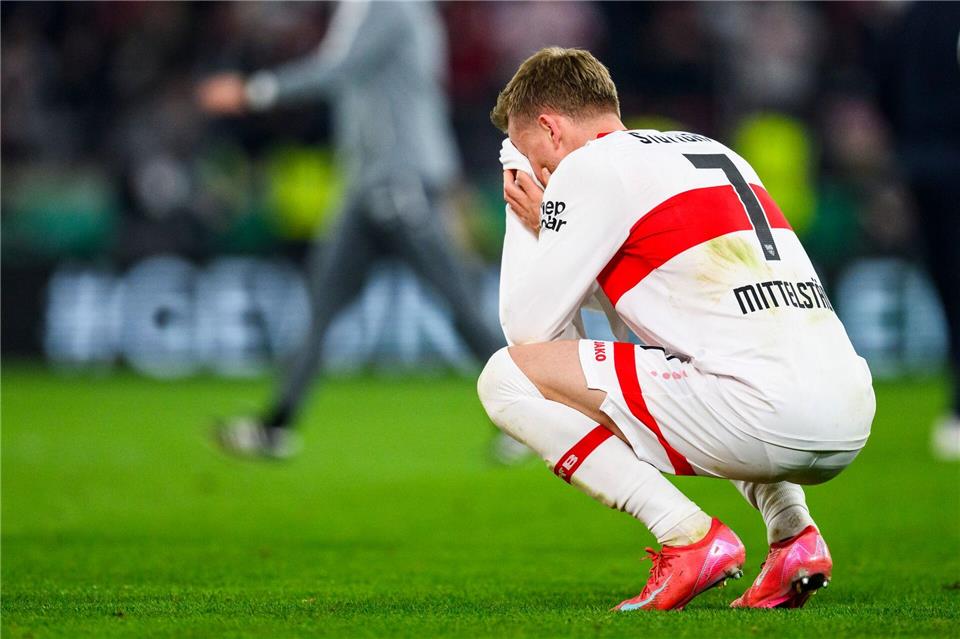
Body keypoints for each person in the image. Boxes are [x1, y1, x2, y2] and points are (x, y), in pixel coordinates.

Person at [477, 47, 875, 611]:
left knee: (503, 378)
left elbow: (527, 333)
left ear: (551, 127)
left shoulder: (590, 167)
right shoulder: (707, 148)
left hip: (766, 414)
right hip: (850, 408)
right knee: (702, 359)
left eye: (539, 158)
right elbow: (617, 318)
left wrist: (526, 208)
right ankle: (794, 536)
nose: (544, 175)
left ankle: (686, 536)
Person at [197, 1, 504, 458]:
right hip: (365, 184)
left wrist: (253, 92)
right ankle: (276, 426)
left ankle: (535, 413)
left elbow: (339, 69)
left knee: (458, 301)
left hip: (401, 179)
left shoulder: (390, 6)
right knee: (322, 305)